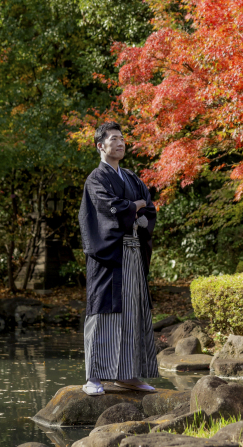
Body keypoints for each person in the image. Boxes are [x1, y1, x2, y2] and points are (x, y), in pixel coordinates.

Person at [78, 121, 159, 396]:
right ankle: (94, 377)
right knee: (103, 313)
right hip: (108, 254)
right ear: (100, 146)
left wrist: (135, 208)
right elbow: (107, 208)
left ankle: (128, 375)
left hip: (134, 251)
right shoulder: (96, 179)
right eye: (113, 139)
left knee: (133, 310)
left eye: (122, 139)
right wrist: (132, 208)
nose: (120, 143)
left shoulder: (132, 177)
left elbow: (149, 209)